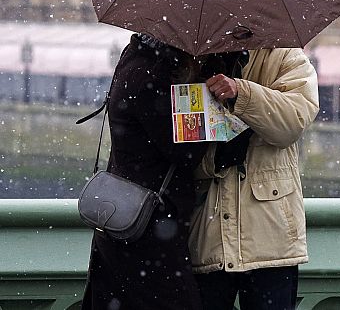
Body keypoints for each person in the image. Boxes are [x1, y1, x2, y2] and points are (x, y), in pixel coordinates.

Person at [82, 33, 246, 310]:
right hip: (150, 225)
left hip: (122, 215)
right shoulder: (152, 76)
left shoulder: (132, 58)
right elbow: (184, 152)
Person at [189, 47, 319, 310]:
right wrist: (214, 160)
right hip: (209, 235)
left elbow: (293, 121)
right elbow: (177, 152)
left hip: (270, 238)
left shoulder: (284, 56)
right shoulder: (192, 61)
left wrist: (241, 92)